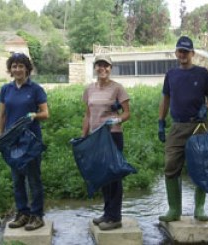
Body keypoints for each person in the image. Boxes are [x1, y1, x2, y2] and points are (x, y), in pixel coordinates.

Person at [158, 36, 208, 222]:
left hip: (199, 125)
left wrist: (206, 108)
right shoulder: (171, 75)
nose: (182, 54)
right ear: (176, 53)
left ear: (193, 53)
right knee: (170, 165)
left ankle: (199, 208)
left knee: (202, 165)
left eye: (186, 51)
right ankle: (174, 209)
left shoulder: (203, 73)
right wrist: (161, 121)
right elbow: (165, 99)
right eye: (179, 51)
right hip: (177, 126)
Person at [0, 53, 49, 231]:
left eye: (21, 66)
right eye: (14, 66)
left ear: (27, 69)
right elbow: (2, 115)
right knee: (17, 179)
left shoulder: (35, 89)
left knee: (33, 179)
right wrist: (0, 136)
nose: (17, 69)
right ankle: (22, 213)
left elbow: (46, 114)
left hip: (31, 141)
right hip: (13, 141)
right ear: (10, 70)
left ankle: (37, 215)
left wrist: (34, 115)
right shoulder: (6, 89)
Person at [82, 55, 130, 230]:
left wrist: (116, 120)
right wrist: (84, 136)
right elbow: (87, 115)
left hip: (113, 136)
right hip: (96, 137)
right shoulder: (89, 90)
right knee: (103, 176)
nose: (103, 68)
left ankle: (115, 217)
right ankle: (107, 213)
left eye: (106, 66)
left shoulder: (118, 88)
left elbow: (126, 113)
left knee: (114, 176)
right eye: (99, 65)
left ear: (111, 68)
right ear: (95, 68)